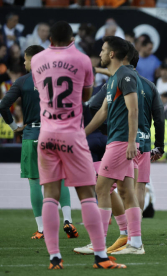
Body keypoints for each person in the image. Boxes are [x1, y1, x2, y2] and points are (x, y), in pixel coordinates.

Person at [31, 22, 125, 269]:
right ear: (72, 38)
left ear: (50, 38)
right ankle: (101, 257)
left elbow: (39, 89)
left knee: (50, 195)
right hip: (72, 135)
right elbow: (85, 96)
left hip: (46, 134)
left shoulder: (37, 60)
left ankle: (54, 257)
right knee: (86, 194)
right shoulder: (82, 59)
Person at [0, 45, 77, 240]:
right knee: (60, 178)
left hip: (31, 135)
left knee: (35, 182)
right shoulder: (58, 80)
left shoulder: (22, 81)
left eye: (25, 60)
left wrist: (13, 126)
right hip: (54, 134)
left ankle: (42, 229)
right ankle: (68, 220)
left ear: (32, 60)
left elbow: (3, 105)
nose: (24, 63)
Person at [82, 36, 144, 255]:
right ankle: (135, 243)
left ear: (111, 54)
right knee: (126, 191)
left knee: (101, 187)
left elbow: (133, 109)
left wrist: (130, 142)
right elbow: (102, 112)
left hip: (121, 141)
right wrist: (82, 134)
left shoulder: (126, 76)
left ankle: (98, 243)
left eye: (102, 50)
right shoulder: (114, 78)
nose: (99, 54)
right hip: (116, 140)